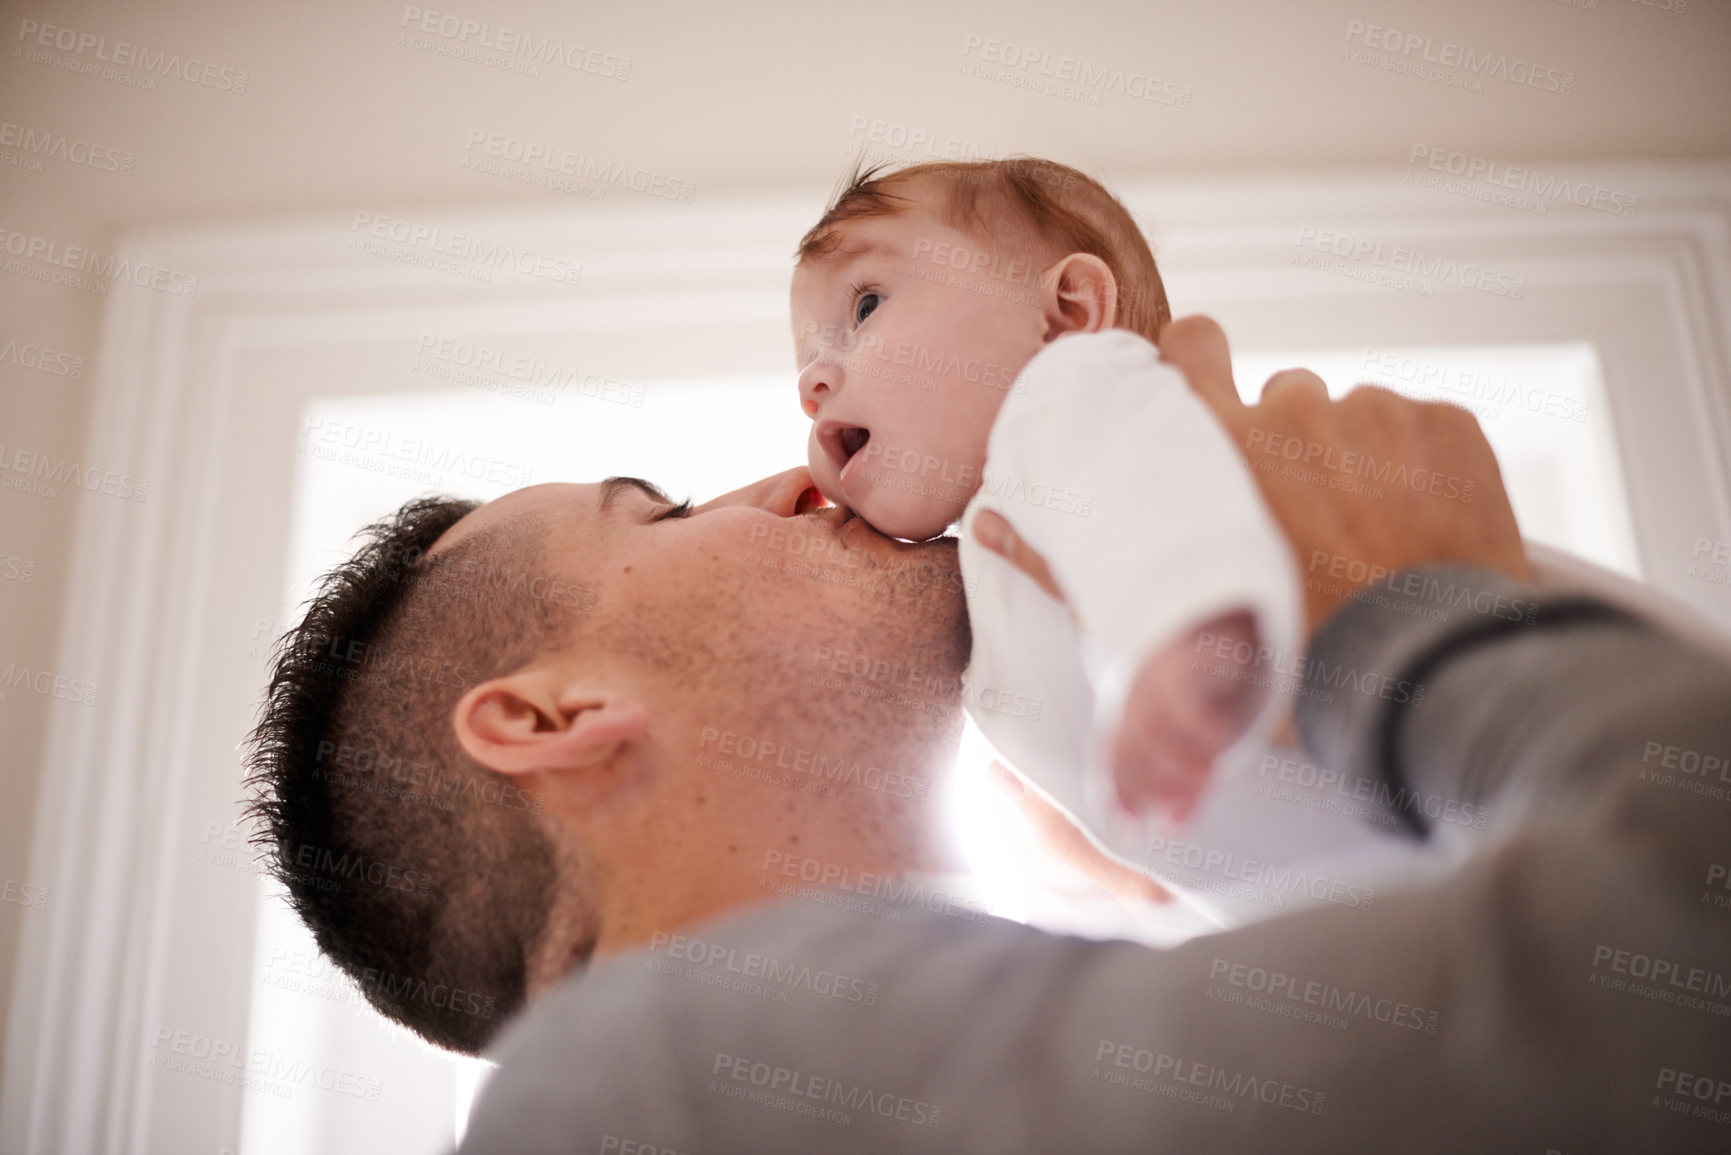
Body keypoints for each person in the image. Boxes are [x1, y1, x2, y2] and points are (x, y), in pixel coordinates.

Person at [453, 321, 1731, 1153]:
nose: (793, 476)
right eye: (664, 514)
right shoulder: (623, 1095)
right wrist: (1409, 621)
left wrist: (1278, 890)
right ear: (549, 719)